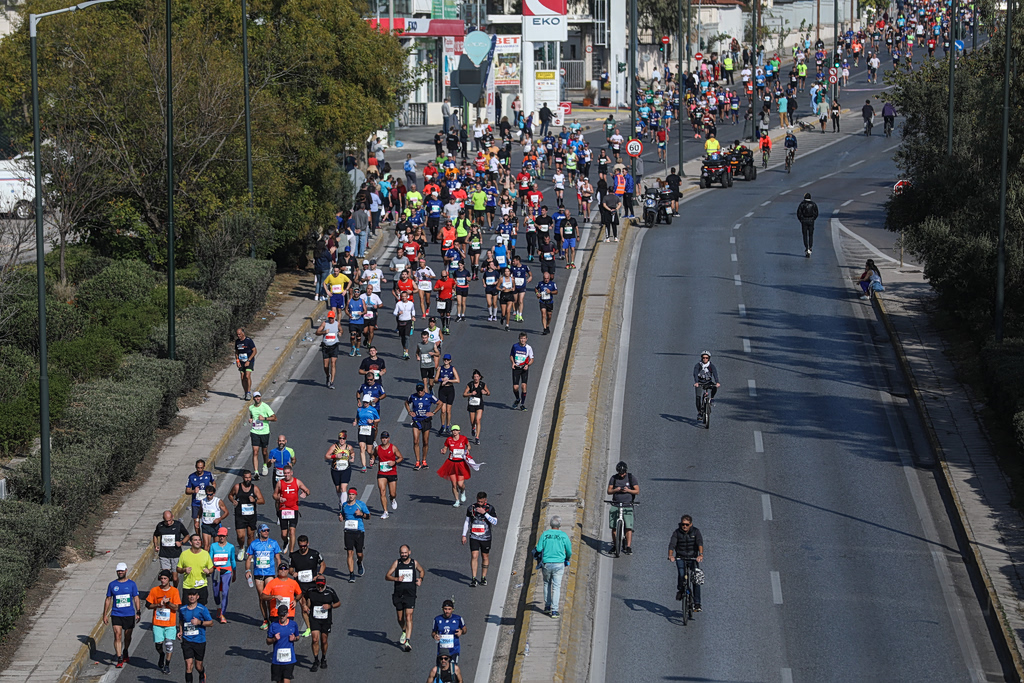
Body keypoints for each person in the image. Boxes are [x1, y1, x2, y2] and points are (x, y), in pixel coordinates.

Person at [385, 544, 425, 652]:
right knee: (400, 618)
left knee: (409, 616)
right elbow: (387, 576)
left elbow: (422, 571)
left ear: (409, 552)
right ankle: (404, 630)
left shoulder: (414, 563)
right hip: (398, 594)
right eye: (402, 553)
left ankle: (407, 641)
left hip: (410, 594)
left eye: (405, 553)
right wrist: (396, 578)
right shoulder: (397, 563)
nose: (404, 555)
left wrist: (420, 579)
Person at [245, 523, 284, 629]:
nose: (266, 532)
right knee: (262, 597)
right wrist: (247, 570)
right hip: (258, 574)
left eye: (267, 530)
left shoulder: (273, 543)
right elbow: (248, 559)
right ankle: (265, 619)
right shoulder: (254, 544)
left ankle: (272, 617)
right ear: (259, 532)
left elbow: (278, 558)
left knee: (270, 596)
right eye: (264, 530)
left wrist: (280, 571)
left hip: (270, 573)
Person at [103, 562, 141, 668]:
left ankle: (125, 650)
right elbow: (108, 599)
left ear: (126, 571)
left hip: (129, 614)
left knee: (127, 636)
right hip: (116, 614)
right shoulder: (112, 585)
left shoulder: (132, 584)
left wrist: (138, 611)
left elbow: (136, 598)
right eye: (118, 571)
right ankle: (119, 658)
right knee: (117, 635)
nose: (120, 572)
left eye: (122, 571)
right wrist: (105, 614)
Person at [534, 516, 572, 618]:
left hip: (546, 563)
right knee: (557, 586)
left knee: (547, 583)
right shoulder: (563, 535)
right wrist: (567, 559)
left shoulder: (545, 534)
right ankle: (554, 610)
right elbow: (569, 550)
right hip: (559, 564)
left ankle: (547, 606)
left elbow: (538, 548)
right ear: (560, 525)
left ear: (550, 524)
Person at [290, 535, 326, 637]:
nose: (303, 548)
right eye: (301, 546)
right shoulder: (294, 556)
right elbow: (290, 569)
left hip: (312, 585)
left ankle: (316, 624)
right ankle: (309, 628)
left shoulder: (314, 554)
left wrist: (319, 575)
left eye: (304, 545)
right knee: (303, 606)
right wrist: (293, 573)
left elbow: (323, 565)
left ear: (308, 544)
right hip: (300, 585)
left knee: (311, 606)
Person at [146, 569, 180, 674]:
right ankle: (161, 654)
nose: (163, 581)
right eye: (161, 579)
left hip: (170, 623)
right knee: (158, 645)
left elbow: (177, 607)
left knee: (169, 645)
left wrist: (168, 603)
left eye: (165, 579)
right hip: (158, 623)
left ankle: (167, 665)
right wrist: (158, 605)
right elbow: (148, 605)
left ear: (169, 579)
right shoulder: (154, 590)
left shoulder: (174, 591)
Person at [668, 515, 704, 611]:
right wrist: (671, 555)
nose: (684, 526)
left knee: (696, 580)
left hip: (693, 558)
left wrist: (700, 555)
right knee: (681, 574)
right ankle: (681, 589)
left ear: (690, 524)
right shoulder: (677, 532)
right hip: (681, 557)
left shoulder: (696, 532)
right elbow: (672, 544)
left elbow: (700, 543)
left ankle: (697, 603)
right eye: (683, 524)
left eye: (687, 525)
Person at [306, 575, 341, 672]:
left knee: (324, 640)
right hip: (314, 619)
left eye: (321, 586)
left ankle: (323, 658)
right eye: (318, 586)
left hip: (326, 620)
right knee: (315, 639)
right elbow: (305, 599)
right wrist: (305, 606)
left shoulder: (330, 591)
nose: (320, 588)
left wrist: (330, 606)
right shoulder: (311, 591)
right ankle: (316, 660)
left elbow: (338, 603)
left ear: (324, 584)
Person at [462, 492, 498, 587]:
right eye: (478, 501)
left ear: (485, 500)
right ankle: (473, 578)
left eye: (482, 502)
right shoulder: (471, 508)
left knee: (485, 556)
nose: (480, 503)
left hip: (485, 537)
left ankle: (483, 577)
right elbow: (467, 522)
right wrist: (463, 535)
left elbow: (495, 522)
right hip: (474, 536)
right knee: (474, 556)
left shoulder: (490, 508)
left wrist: (485, 513)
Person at [228, 470, 265, 560]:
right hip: (240, 515)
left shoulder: (255, 488)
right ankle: (241, 548)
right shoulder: (237, 487)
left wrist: (255, 500)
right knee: (240, 536)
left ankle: (250, 553)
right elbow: (230, 495)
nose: (248, 479)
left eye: (249, 477)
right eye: (246, 478)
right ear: (243, 478)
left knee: (250, 535)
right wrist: (233, 500)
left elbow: (262, 501)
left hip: (251, 516)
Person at [273, 465, 310, 553]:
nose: (286, 475)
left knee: (292, 531)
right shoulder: (280, 483)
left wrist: (305, 493)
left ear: (292, 473)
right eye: (285, 473)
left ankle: (291, 553)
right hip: (283, 509)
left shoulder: (297, 482)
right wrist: (279, 498)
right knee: (284, 534)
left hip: (293, 509)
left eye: (288, 473)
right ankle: (286, 541)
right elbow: (274, 495)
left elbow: (308, 490)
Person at [178, 590, 213, 682]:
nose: (192, 597)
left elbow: (211, 623)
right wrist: (180, 631)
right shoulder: (183, 609)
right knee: (188, 665)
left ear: (197, 597)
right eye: (190, 595)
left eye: (194, 595)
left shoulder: (202, 609)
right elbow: (181, 621)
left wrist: (199, 622)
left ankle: (202, 674)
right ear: (187, 597)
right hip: (187, 640)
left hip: (199, 641)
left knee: (198, 666)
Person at [607, 461, 640, 554]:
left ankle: (628, 546)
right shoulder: (613, 478)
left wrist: (628, 490)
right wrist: (615, 489)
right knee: (613, 526)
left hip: (627, 504)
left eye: (623, 473)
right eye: (620, 473)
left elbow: (637, 491)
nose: (622, 475)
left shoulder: (631, 478)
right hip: (616, 504)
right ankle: (615, 544)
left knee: (628, 527)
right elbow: (609, 491)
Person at [339, 487, 371, 582]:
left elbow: (368, 516)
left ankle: (359, 562)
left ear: (355, 495)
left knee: (359, 554)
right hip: (348, 531)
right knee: (349, 552)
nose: (351, 496)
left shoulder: (360, 504)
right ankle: (351, 574)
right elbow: (343, 515)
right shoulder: (344, 505)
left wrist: (361, 514)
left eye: (353, 494)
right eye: (349, 494)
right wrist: (341, 518)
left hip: (359, 531)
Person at [371, 430, 404, 518]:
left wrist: (395, 462)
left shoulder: (393, 448)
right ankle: (385, 511)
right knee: (382, 491)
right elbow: (373, 455)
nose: (384, 440)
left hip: (392, 472)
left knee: (393, 493)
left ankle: (392, 499)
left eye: (386, 438)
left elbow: (401, 457)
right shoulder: (378, 448)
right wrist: (372, 459)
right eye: (382, 438)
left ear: (388, 439)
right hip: (381, 473)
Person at [437, 425, 472, 507]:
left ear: (459, 431)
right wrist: (443, 450)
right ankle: (457, 500)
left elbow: (468, 445)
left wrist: (468, 450)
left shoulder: (463, 438)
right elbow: (445, 448)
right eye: (453, 430)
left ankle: (463, 491)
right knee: (454, 484)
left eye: (456, 430)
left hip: (461, 463)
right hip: (451, 463)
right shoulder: (449, 440)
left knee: (460, 484)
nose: (455, 432)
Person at [153, 510, 190, 585]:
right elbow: (155, 535)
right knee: (166, 577)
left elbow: (187, 535)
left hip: (175, 554)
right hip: (164, 555)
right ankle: (168, 592)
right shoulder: (160, 526)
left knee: (174, 578)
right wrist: (156, 545)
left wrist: (181, 543)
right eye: (166, 521)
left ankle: (175, 590)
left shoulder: (178, 525)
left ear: (172, 517)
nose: (168, 523)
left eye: (170, 520)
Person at [177, 534, 215, 606]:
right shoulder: (184, 554)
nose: (198, 542)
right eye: (195, 540)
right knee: (186, 609)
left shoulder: (205, 554)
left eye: (199, 540)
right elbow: (178, 568)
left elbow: (211, 568)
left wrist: (208, 571)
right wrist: (184, 569)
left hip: (202, 586)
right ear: (191, 543)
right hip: (188, 586)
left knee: (201, 609)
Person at [209, 527, 236, 623]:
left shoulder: (231, 547)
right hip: (216, 571)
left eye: (223, 536)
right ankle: (218, 607)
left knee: (225, 592)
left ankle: (223, 614)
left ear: (226, 536)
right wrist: (209, 569)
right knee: (216, 592)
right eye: (220, 536)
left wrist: (234, 572)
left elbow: (232, 559)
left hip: (227, 571)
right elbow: (209, 558)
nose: (221, 538)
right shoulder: (213, 546)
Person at [267, 605, 300, 683]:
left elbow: (297, 637)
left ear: (287, 614)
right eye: (280, 615)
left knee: (286, 681)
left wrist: (294, 638)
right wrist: (274, 639)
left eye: (283, 615)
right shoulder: (273, 625)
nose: (282, 617)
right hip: (277, 660)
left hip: (289, 659)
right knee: (279, 681)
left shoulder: (293, 624)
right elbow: (268, 641)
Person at [248, 391, 277, 479]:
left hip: (264, 432)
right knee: (255, 451)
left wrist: (264, 418)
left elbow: (274, 418)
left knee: (264, 452)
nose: (257, 398)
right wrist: (251, 420)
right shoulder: (251, 408)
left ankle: (265, 464)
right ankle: (256, 472)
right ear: (253, 398)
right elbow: (251, 416)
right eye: (256, 397)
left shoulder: (265, 407)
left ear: (260, 397)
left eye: (259, 397)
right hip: (255, 432)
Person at [325, 430, 355, 507]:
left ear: (346, 439)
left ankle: (344, 506)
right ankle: (341, 500)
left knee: (343, 487)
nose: (342, 440)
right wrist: (334, 456)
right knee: (338, 489)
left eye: (343, 438)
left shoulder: (349, 447)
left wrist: (352, 458)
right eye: (340, 438)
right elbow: (326, 456)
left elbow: (352, 453)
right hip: (336, 470)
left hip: (346, 469)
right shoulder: (334, 447)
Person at [431, 599, 467, 664]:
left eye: (449, 609)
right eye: (445, 609)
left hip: (454, 649)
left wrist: (461, 631)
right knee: (439, 670)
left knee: (453, 668)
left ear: (453, 609)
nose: (447, 611)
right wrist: (435, 636)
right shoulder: (437, 619)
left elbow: (465, 629)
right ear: (442, 609)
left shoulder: (458, 619)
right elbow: (433, 632)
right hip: (442, 650)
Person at [185, 459, 214, 536]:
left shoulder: (208, 474)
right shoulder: (191, 477)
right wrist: (194, 491)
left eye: (201, 468)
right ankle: (198, 537)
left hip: (206, 502)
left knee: (206, 520)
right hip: (196, 503)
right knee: (196, 523)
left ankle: (206, 535)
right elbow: (187, 491)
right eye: (198, 468)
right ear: (196, 467)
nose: (199, 470)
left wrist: (211, 491)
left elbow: (213, 483)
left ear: (204, 467)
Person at [434, 354, 461, 435]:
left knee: (448, 411)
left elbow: (457, 380)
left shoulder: (452, 368)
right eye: (444, 359)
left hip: (450, 390)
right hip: (442, 390)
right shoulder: (440, 368)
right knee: (443, 410)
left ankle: (448, 426)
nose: (446, 361)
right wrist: (441, 379)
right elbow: (435, 379)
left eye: (447, 360)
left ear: (450, 361)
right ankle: (442, 426)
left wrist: (448, 380)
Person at [315, 310, 342, 388]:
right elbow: (317, 332)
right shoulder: (324, 323)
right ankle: (328, 375)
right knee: (326, 365)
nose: (331, 319)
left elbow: (341, 330)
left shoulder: (337, 324)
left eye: (332, 318)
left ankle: (332, 382)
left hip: (334, 346)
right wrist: (324, 332)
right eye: (329, 318)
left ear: (334, 317)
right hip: (326, 347)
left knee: (333, 363)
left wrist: (340, 332)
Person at [461, 370, 490, 444]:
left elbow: (488, 393)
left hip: (479, 403)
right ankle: (473, 427)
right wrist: (471, 393)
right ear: (473, 378)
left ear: (480, 377)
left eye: (477, 377)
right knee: (473, 421)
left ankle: (477, 437)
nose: (476, 378)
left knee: (478, 419)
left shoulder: (482, 384)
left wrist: (485, 393)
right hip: (471, 404)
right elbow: (464, 394)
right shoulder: (470, 384)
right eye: (475, 377)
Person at [197, 484, 229, 550]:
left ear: (214, 493)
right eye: (207, 494)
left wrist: (219, 519)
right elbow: (200, 511)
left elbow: (226, 512)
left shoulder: (218, 501)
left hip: (215, 525)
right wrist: (197, 520)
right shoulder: (203, 501)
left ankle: (214, 559)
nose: (209, 496)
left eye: (210, 494)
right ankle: (206, 560)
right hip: (206, 525)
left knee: (215, 546)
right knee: (206, 546)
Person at [354, 397, 381, 472]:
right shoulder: (359, 409)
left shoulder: (373, 410)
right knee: (362, 448)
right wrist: (355, 421)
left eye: (366, 402)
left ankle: (372, 457)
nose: (365, 403)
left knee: (369, 450)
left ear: (369, 402)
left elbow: (378, 419)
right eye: (364, 402)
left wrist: (372, 420)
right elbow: (357, 417)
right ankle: (364, 466)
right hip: (361, 429)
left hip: (370, 429)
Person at [692, 350, 721, 418]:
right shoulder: (698, 365)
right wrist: (696, 382)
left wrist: (717, 382)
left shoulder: (711, 366)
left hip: (708, 382)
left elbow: (715, 374)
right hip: (700, 383)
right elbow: (695, 374)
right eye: (703, 358)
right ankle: (699, 412)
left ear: (709, 358)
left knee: (714, 388)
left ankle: (712, 398)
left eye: (706, 358)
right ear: (701, 358)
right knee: (698, 397)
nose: (705, 359)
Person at [510, 332, 534, 410]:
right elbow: (511, 355)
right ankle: (517, 399)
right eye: (521, 338)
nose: (522, 340)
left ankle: (522, 404)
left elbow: (532, 359)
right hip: (516, 368)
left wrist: (527, 365)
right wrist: (513, 363)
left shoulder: (529, 348)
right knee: (515, 388)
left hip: (524, 369)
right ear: (519, 339)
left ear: (526, 339)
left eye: (524, 338)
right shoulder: (515, 346)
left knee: (524, 386)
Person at [235, 327, 257, 400]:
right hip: (241, 361)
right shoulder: (237, 342)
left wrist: (249, 360)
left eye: (240, 334)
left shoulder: (249, 341)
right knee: (242, 377)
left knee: (247, 376)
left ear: (243, 333)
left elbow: (254, 351)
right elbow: (236, 352)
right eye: (237, 335)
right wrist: (237, 361)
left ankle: (248, 392)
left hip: (249, 361)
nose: (238, 336)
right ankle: (245, 392)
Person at [535, 271, 558, 335]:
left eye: (547, 278)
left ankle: (547, 325)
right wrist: (537, 294)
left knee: (549, 316)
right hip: (542, 301)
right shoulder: (540, 283)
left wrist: (550, 292)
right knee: (543, 314)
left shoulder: (553, 284)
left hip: (549, 302)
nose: (546, 280)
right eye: (545, 278)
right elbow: (536, 289)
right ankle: (544, 329)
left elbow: (556, 292)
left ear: (549, 278)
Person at [796, 192, 819, 257]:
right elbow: (816, 213)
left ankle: (806, 247)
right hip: (811, 221)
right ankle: (810, 247)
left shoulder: (802, 204)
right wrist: (813, 219)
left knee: (805, 235)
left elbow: (799, 213)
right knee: (811, 234)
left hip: (804, 221)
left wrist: (801, 220)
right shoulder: (813, 204)